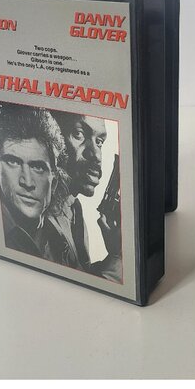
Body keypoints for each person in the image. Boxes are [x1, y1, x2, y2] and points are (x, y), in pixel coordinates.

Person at [48, 111, 122, 282]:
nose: (96, 155)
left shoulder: (74, 208)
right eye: (79, 134)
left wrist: (114, 251)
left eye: (99, 142)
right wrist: (119, 257)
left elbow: (80, 274)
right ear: (53, 136)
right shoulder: (40, 214)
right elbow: (69, 286)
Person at [0, 104, 68, 259]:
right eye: (13, 162)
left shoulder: (60, 238)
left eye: (38, 167)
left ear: (54, 183)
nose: (27, 182)